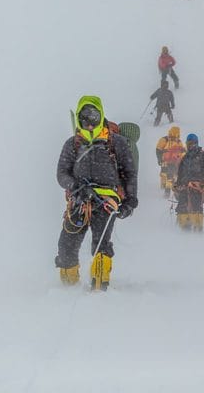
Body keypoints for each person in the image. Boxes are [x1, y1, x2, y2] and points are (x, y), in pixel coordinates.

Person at [55, 96, 138, 291]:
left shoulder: (116, 142)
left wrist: (131, 200)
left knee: (101, 247)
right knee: (67, 244)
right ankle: (67, 288)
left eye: (93, 118)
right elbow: (61, 173)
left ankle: (100, 289)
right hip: (79, 200)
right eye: (85, 119)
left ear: (100, 116)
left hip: (106, 201)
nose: (89, 124)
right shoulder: (72, 144)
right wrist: (75, 186)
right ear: (78, 119)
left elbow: (129, 173)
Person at [173, 134, 204, 231]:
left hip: (198, 187)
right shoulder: (185, 158)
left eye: (192, 143)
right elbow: (180, 173)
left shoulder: (203, 156)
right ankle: (184, 230)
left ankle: (198, 231)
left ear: (196, 143)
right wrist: (177, 184)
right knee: (182, 208)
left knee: (196, 209)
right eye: (188, 143)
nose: (190, 145)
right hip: (184, 187)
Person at [156, 126, 186, 198]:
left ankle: (167, 190)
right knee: (165, 174)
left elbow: (183, 151)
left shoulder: (178, 141)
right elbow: (158, 150)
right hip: (167, 161)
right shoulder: (165, 140)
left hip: (174, 162)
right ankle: (163, 187)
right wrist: (160, 159)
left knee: (170, 175)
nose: (175, 137)